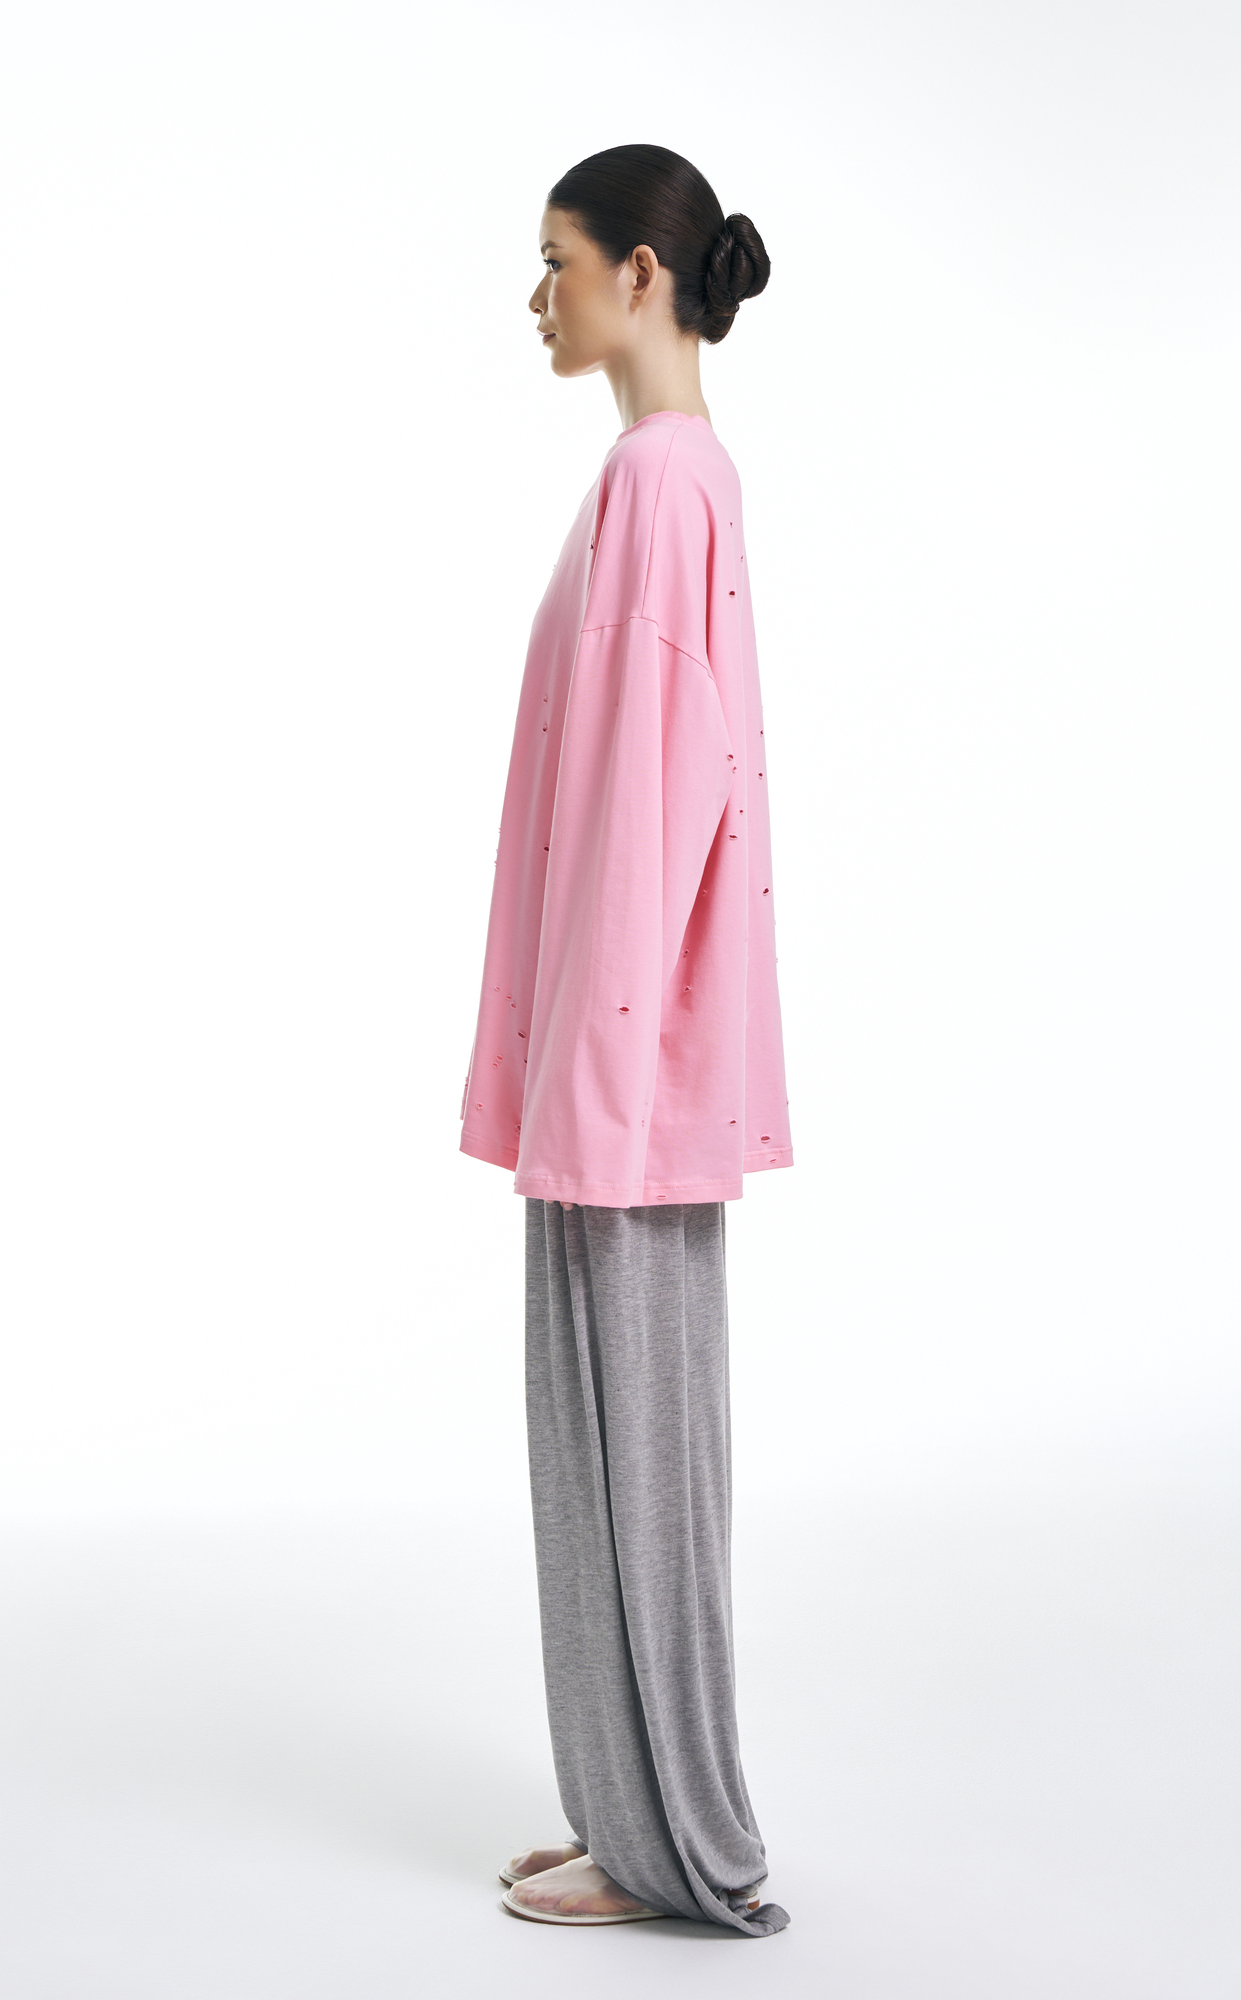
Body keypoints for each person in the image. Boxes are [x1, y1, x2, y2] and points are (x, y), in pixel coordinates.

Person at [458, 144, 792, 1938]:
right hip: (616, 1060)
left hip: (624, 1069)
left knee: (630, 1456)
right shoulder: (663, 476)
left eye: (557, 261)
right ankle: (627, 1812)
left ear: (641, 276)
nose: (539, 297)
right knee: (610, 1449)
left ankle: (677, 1852)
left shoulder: (664, 478)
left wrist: (594, 1072)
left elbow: (667, 792)